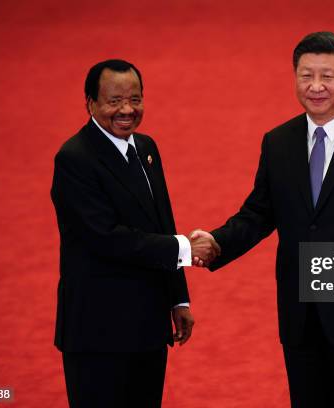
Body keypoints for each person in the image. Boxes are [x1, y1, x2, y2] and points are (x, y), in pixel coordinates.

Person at [191, 32, 334, 407]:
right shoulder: (278, 142)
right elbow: (260, 212)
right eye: (305, 75)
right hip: (301, 313)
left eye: (327, 76)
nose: (316, 87)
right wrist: (217, 243)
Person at [50, 59, 219, 408]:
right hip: (98, 330)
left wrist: (177, 298)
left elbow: (161, 222)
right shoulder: (75, 158)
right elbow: (106, 237)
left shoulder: (146, 149)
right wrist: (187, 247)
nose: (127, 110)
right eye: (114, 101)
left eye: (136, 99)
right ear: (90, 103)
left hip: (147, 325)